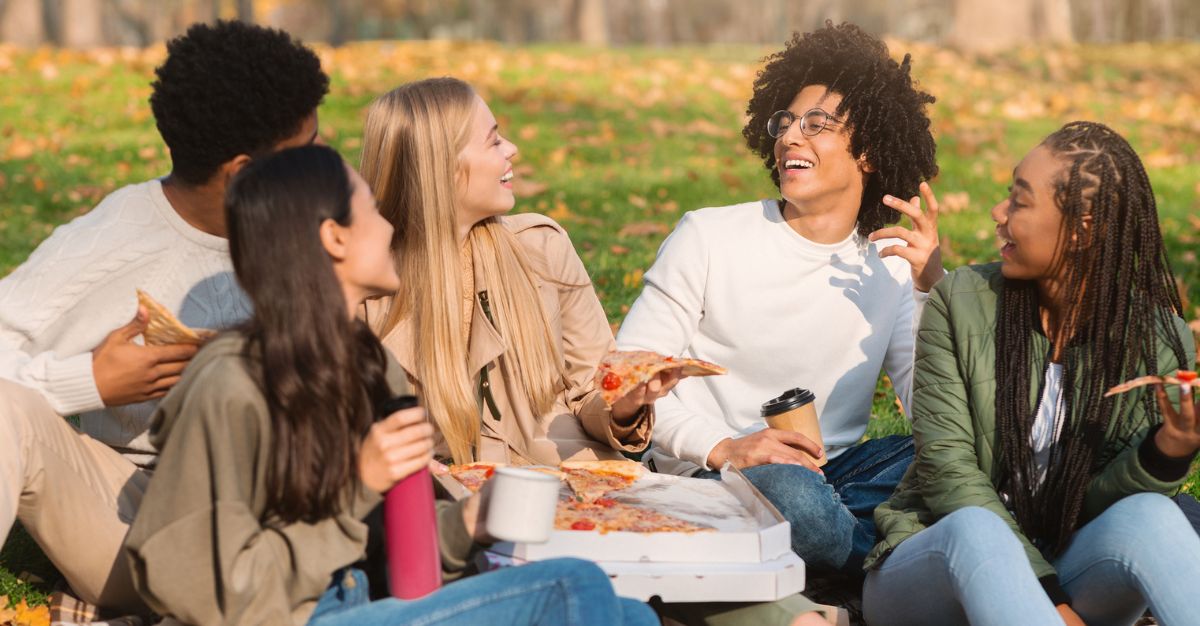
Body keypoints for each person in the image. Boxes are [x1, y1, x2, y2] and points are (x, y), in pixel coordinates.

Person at [124, 144, 658, 626]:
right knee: (574, 585)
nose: (388, 229)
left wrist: (467, 522)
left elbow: (397, 561)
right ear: (334, 237)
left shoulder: (365, 361)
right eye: (373, 214)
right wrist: (360, 480)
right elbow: (207, 591)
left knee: (631, 617)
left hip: (364, 602)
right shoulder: (231, 383)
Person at [0, 21, 325, 612]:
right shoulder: (114, 243)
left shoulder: (316, 227)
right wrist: (90, 383)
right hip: (139, 525)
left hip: (287, 524)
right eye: (304, 153)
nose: (321, 163)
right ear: (244, 171)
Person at [616, 22, 940, 576]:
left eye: (817, 124)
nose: (791, 136)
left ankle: (822, 553)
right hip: (713, 478)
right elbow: (629, 378)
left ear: (869, 151)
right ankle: (889, 565)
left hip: (836, 478)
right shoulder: (709, 236)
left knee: (959, 462)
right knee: (795, 502)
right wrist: (725, 448)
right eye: (785, 122)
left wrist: (930, 290)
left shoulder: (889, 270)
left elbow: (934, 418)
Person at [861, 121, 1200, 625]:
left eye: (1019, 201)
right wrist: (1049, 597)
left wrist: (1167, 450)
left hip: (1066, 561)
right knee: (979, 528)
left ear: (1083, 228)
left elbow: (1098, 509)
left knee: (1152, 517)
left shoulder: (1158, 341)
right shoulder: (961, 303)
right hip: (932, 570)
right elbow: (948, 474)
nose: (998, 214)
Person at [358, 77, 679, 466]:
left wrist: (624, 404)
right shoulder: (364, 287)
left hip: (568, 488)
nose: (513, 149)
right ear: (441, 164)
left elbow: (590, 389)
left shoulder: (542, 248)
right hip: (441, 500)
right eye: (493, 141)